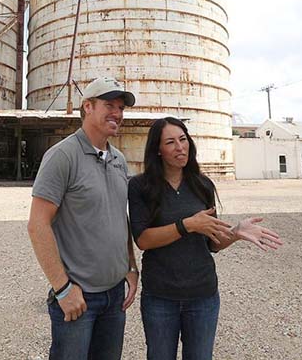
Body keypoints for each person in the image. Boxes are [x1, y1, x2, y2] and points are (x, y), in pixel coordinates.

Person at [128, 117, 283, 360]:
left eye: (183, 139)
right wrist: (187, 225)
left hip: (203, 296)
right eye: (171, 142)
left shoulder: (202, 185)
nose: (180, 147)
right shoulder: (140, 186)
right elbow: (143, 240)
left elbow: (212, 243)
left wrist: (234, 233)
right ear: (157, 150)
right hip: (160, 297)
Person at [27, 76, 140, 360]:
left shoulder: (119, 160)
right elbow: (37, 224)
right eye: (109, 105)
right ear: (87, 107)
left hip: (115, 297)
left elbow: (119, 218)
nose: (117, 113)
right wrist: (62, 289)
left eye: (121, 107)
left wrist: (130, 266)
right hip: (79, 298)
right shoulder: (63, 156)